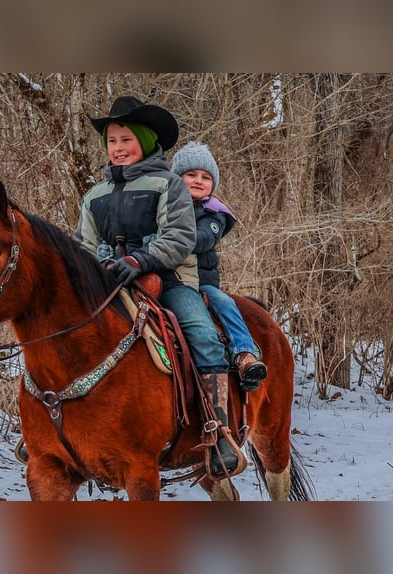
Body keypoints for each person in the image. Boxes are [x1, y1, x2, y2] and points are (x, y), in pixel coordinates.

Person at [73, 96, 241, 474]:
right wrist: (95, 265)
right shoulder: (94, 196)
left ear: (147, 142)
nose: (118, 148)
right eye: (112, 141)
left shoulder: (168, 184)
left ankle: (218, 430)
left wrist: (140, 259)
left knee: (203, 333)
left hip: (167, 279)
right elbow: (82, 245)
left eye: (126, 140)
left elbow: (180, 236)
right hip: (108, 282)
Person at [171, 141, 267, 391]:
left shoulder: (214, 213)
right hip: (168, 278)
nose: (198, 180)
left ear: (213, 184)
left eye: (205, 177)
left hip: (202, 282)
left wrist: (171, 238)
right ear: (177, 179)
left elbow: (203, 239)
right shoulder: (165, 207)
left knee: (223, 302)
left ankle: (244, 353)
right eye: (191, 175)